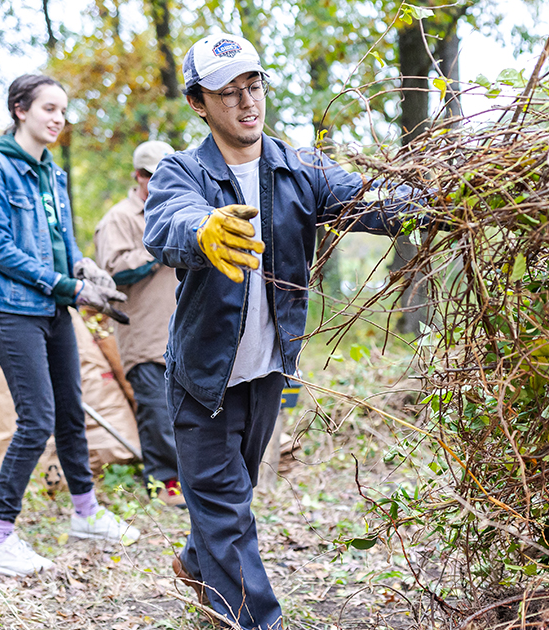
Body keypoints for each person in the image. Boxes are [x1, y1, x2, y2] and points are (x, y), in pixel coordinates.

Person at [143, 34, 428, 628]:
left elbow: (370, 202)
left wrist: (439, 198)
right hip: (203, 378)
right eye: (229, 93)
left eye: (254, 87)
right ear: (199, 103)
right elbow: (167, 221)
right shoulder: (184, 171)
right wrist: (205, 231)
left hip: (270, 370)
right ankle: (257, 619)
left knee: (230, 497)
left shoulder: (299, 168)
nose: (248, 103)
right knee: (226, 510)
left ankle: (198, 562)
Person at [0, 74, 141, 577]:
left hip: (51, 310)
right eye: (48, 108)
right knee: (37, 419)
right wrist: (68, 287)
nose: (58, 118)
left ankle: (85, 514)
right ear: (20, 110)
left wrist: (84, 268)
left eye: (63, 109)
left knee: (71, 411)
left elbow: (61, 242)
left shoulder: (51, 175)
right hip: (10, 310)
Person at [94, 140, 185, 508]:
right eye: (151, 176)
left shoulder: (180, 209)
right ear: (138, 175)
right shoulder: (119, 218)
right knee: (157, 414)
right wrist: (158, 242)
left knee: (185, 414)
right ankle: (164, 487)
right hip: (144, 337)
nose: (158, 183)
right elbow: (113, 271)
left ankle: (190, 487)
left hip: (183, 333)